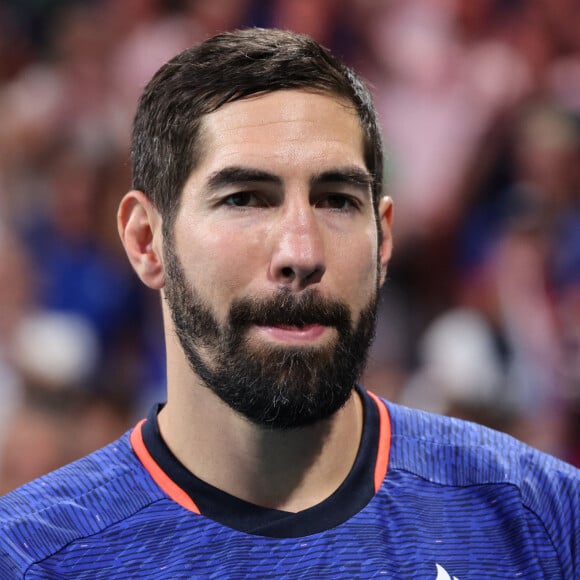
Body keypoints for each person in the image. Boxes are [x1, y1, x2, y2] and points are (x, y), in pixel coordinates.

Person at [0, 28, 578, 579]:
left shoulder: (547, 522)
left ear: (383, 240)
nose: (301, 252)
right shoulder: (30, 556)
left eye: (336, 200)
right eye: (246, 198)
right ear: (146, 241)